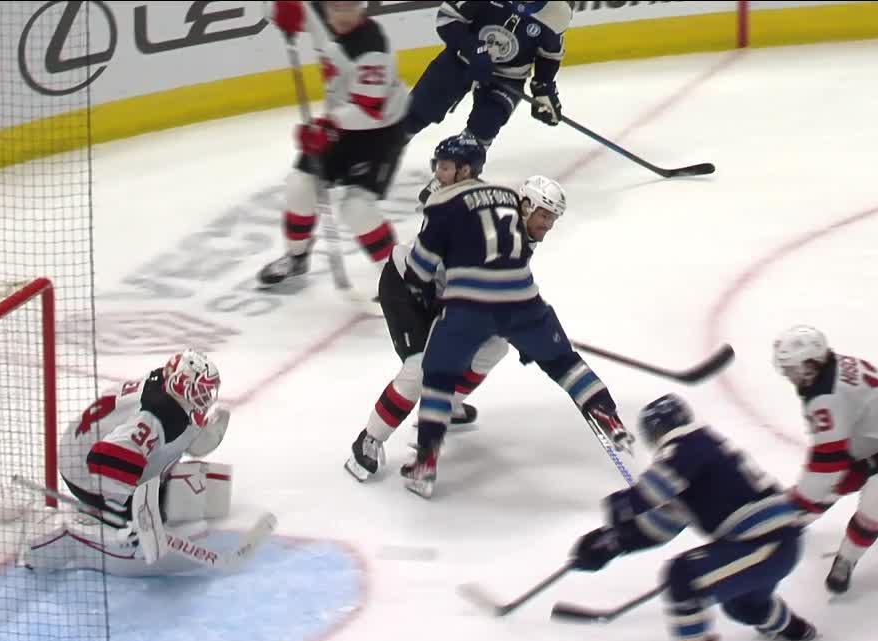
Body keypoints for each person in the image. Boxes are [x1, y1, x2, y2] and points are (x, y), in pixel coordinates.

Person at [401, 161, 632, 499]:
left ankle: (425, 464)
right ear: (525, 205)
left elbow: (428, 269)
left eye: (552, 219)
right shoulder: (495, 215)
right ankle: (607, 416)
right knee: (562, 361)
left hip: (469, 304)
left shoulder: (479, 211)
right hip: (516, 304)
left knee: (438, 375)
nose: (547, 226)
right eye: (545, 216)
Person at [568, 394, 817, 641]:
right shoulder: (700, 458)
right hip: (771, 545)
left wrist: (616, 508)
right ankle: (794, 629)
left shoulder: (688, 445)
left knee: (685, 576)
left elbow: (649, 493)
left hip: (765, 544)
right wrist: (613, 542)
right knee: (743, 606)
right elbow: (661, 525)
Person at [24, 349, 237, 576]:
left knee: (206, 489)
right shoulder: (156, 414)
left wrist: (208, 434)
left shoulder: (168, 392)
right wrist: (125, 514)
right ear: (180, 382)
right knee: (146, 519)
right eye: (200, 390)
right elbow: (105, 460)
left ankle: (122, 504)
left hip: (94, 449)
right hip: (83, 470)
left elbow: (184, 439)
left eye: (208, 390)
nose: (206, 397)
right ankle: (70, 537)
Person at [772, 325, 878, 593]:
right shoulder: (828, 372)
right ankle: (790, 524)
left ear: (811, 364)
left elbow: (825, 466)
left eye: (792, 368)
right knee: (835, 481)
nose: (788, 375)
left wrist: (797, 502)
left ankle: (847, 558)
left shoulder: (827, 397)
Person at [257, 1, 412, 287]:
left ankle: (401, 278)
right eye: (336, 7)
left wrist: (326, 128)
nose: (342, 15)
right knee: (299, 185)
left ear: (362, 6)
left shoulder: (372, 47)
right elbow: (271, 8)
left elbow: (370, 111)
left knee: (357, 209)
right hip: (340, 123)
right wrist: (279, 9)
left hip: (380, 133)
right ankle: (296, 256)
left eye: (349, 7)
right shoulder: (318, 11)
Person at [403, 1, 572, 198]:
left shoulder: (558, 11)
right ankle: (379, 155)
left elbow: (549, 55)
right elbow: (447, 18)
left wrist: (543, 88)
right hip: (460, 59)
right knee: (416, 112)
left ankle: (450, 180)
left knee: (484, 127)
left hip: (509, 77)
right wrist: (473, 49)